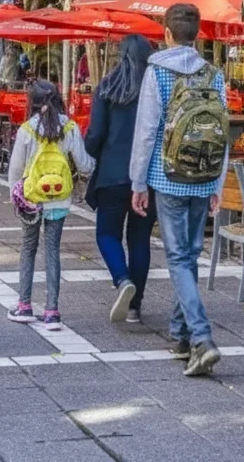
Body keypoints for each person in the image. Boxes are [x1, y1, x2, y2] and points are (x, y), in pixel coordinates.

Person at [130, 3, 229, 377]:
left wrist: (138, 182)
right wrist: (218, 182)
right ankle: (181, 335)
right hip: (204, 177)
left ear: (166, 33)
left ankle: (201, 338)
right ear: (198, 34)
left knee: (178, 257)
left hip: (167, 176)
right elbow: (222, 132)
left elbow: (146, 132)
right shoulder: (213, 74)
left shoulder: (157, 71)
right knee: (189, 255)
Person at [7, 80, 95, 331]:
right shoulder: (70, 127)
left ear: (32, 102)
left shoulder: (26, 130)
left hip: (31, 200)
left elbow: (15, 170)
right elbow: (85, 165)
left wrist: (16, 197)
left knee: (28, 248)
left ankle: (24, 305)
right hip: (59, 199)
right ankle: (52, 311)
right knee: (52, 250)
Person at [85, 34, 156, 324]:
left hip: (112, 175)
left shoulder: (107, 87)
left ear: (120, 55)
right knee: (140, 239)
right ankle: (135, 307)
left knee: (107, 234)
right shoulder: (155, 89)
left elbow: (95, 134)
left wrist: (92, 151)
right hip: (147, 178)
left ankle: (122, 279)